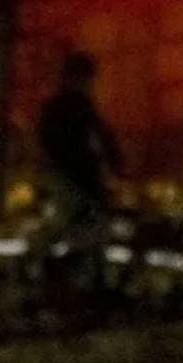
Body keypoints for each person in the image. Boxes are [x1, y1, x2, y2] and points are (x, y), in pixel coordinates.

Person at [33, 53, 122, 286]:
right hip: (74, 176)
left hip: (71, 175)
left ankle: (68, 272)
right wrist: (112, 164)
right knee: (86, 225)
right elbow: (100, 136)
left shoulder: (63, 106)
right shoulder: (75, 106)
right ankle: (80, 276)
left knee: (77, 224)